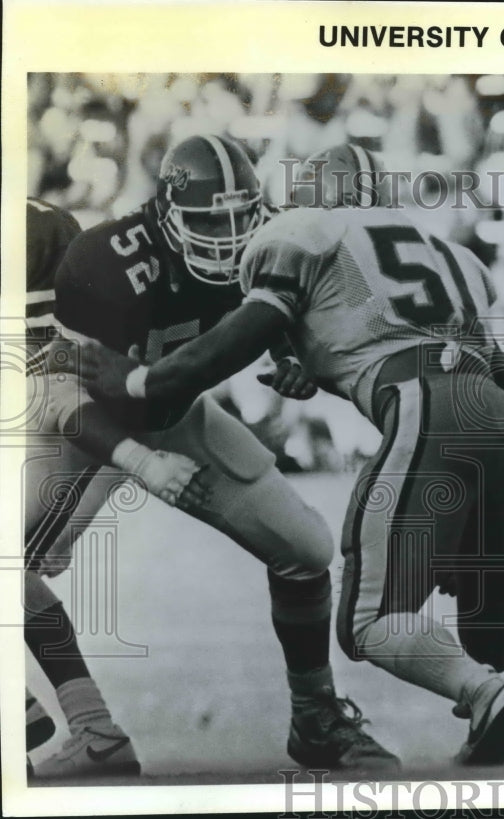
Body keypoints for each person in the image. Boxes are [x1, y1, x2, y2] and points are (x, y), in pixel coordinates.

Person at [76, 143, 504, 766]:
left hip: (428, 412)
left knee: (368, 619)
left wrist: (140, 382)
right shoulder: (450, 251)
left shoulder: (299, 234)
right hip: (502, 420)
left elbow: (236, 339)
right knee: (497, 627)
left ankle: (485, 695)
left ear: (310, 194)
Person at [32, 137, 398, 775]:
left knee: (307, 549)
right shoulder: (102, 260)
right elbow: (61, 392)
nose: (228, 238)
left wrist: (295, 362)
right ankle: (91, 728)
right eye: (207, 220)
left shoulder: (271, 240)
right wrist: (142, 464)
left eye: (240, 216)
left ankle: (315, 719)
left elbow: (285, 318)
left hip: (176, 418)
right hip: (87, 424)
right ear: (168, 212)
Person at [24, 197, 209, 778]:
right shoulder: (44, 225)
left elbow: (82, 393)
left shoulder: (40, 234)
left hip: (59, 427)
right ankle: (93, 729)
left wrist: (73, 520)